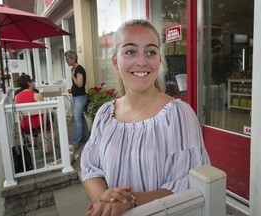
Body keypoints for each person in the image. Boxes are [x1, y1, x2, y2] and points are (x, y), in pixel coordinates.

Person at [80, 19, 210, 216]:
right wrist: (107, 203)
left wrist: (131, 202)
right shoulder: (105, 114)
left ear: (159, 60)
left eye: (150, 52)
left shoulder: (178, 115)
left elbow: (185, 186)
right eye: (130, 51)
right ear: (115, 61)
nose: (142, 61)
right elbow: (91, 170)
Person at [15, 74, 51, 152]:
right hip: (39, 125)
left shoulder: (17, 97)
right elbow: (44, 112)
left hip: (25, 128)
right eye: (32, 81)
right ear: (29, 83)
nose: (34, 83)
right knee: (50, 121)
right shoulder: (37, 95)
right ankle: (47, 148)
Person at [64, 50, 90, 153]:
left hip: (80, 97)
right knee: (81, 118)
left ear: (73, 59)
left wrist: (72, 76)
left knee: (77, 119)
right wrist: (72, 88)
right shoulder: (74, 69)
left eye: (67, 59)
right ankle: (86, 138)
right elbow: (77, 86)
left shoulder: (79, 69)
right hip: (76, 96)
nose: (66, 61)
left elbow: (79, 84)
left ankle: (76, 141)